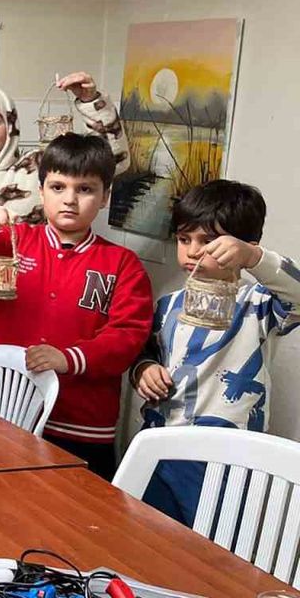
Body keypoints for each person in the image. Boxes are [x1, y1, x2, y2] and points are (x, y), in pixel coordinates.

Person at [0, 133, 152, 478]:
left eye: (85, 189)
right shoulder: (16, 240)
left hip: (84, 425)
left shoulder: (123, 264)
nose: (70, 200)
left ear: (105, 196)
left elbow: (127, 336)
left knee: (81, 508)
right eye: (58, 187)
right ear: (41, 190)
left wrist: (69, 358)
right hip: (9, 412)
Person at [130, 180, 299, 527]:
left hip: (225, 457)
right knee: (147, 535)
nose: (193, 251)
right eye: (184, 239)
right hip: (161, 446)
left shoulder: (259, 305)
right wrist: (143, 369)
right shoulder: (168, 305)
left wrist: (254, 258)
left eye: (208, 242)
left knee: (213, 542)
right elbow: (144, 352)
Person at [0, 73, 130, 224]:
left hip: (43, 258)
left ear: (11, 125)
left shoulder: (40, 164)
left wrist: (91, 101)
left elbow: (111, 161)